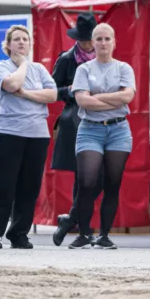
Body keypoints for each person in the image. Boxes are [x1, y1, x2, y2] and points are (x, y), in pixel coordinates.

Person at [0, 25, 57, 249]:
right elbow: (12, 84)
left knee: (29, 186)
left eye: (25, 39)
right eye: (17, 39)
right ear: (8, 45)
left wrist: (25, 94)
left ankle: (19, 233)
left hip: (37, 134)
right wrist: (23, 65)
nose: (22, 43)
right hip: (7, 131)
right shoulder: (1, 66)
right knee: (3, 185)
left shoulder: (40, 69)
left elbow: (52, 95)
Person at [67, 23, 135, 249]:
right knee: (87, 182)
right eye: (99, 39)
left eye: (107, 39)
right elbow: (82, 101)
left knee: (113, 183)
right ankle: (84, 233)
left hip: (118, 129)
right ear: (92, 43)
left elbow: (128, 97)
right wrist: (113, 99)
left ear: (114, 42)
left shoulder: (124, 68)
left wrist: (98, 97)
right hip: (90, 128)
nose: (103, 43)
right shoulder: (84, 69)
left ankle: (104, 235)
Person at [51, 12, 98, 245]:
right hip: (77, 120)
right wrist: (71, 91)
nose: (89, 43)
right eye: (86, 39)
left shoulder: (104, 57)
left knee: (98, 177)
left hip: (102, 116)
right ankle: (84, 230)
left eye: (92, 38)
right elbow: (52, 90)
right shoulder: (67, 59)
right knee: (83, 177)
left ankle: (71, 219)